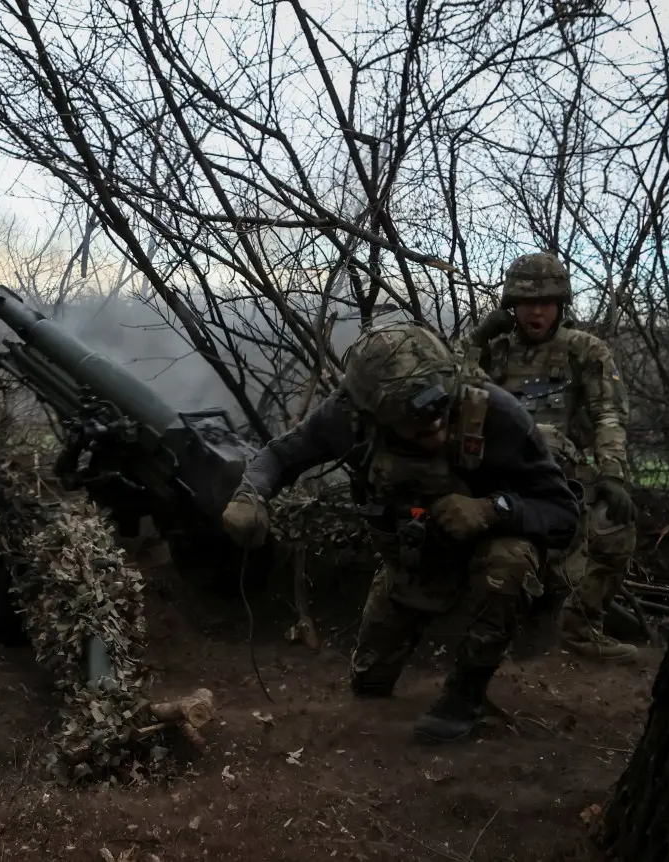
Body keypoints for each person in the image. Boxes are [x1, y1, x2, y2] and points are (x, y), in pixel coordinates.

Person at [220, 321, 580, 743]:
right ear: (375, 416)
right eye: (418, 426)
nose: (437, 430)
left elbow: (563, 513)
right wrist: (249, 497)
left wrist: (491, 509)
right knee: (368, 686)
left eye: (441, 416)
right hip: (414, 561)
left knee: (510, 562)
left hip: (489, 551)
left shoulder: (498, 415)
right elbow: (280, 456)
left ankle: (463, 697)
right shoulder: (348, 418)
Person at [463, 252, 639, 663]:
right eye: (527, 302)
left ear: (561, 304)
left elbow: (609, 413)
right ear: (512, 306)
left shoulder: (584, 350)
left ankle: (581, 628)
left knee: (616, 526)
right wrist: (474, 341)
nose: (536, 311)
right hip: (499, 476)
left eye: (546, 302)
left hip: (563, 477)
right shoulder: (494, 350)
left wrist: (612, 472)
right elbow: (450, 388)